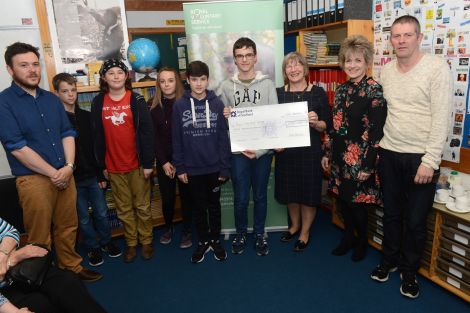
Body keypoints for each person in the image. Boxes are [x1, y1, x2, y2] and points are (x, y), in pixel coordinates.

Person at [0, 42, 101, 282]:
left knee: (68, 227)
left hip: (65, 173)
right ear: (10, 70)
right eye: (24, 65)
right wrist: (54, 173)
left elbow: (67, 132)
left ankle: (71, 268)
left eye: (35, 64)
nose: (32, 70)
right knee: (39, 235)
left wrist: (68, 168)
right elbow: (17, 147)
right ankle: (41, 278)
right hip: (34, 179)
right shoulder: (4, 102)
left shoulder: (51, 99)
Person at [369, 16, 452, 299]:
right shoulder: (387, 71)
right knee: (391, 214)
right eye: (396, 36)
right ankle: (389, 261)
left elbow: (442, 117)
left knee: (415, 221)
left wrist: (430, 160)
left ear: (419, 37)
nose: (401, 40)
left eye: (407, 35)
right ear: (390, 40)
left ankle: (409, 271)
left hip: (421, 158)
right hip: (390, 153)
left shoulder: (436, 68)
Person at [321, 35, 387, 262]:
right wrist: (327, 153)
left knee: (358, 205)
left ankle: (361, 242)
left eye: (357, 60)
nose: (352, 65)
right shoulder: (341, 90)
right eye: (348, 60)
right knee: (343, 202)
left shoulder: (374, 90)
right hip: (339, 157)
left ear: (366, 61)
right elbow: (334, 124)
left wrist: (368, 165)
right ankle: (348, 236)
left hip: (361, 160)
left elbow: (377, 133)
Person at [52, 73, 122, 267]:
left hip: (93, 175)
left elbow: (97, 147)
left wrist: (101, 172)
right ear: (57, 94)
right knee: (82, 217)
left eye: (73, 90)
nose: (70, 95)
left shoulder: (87, 116)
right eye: (65, 91)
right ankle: (92, 246)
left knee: (101, 211)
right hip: (72, 179)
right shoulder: (55, 121)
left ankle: (107, 242)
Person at [218, 37, 278, 256]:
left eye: (248, 55)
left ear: (255, 57)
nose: (244, 59)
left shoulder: (268, 84)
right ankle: (241, 233)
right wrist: (225, 116)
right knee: (241, 197)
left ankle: (260, 233)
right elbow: (223, 125)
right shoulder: (225, 86)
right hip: (238, 153)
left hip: (262, 153)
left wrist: (261, 150)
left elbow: (274, 121)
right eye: (240, 56)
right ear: (235, 59)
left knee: (260, 196)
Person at [91, 59, 155, 263]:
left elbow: (147, 133)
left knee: (143, 207)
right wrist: (101, 165)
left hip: (137, 165)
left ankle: (146, 240)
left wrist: (148, 164)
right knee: (124, 209)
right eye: (111, 73)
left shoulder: (136, 100)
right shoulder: (98, 102)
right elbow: (96, 136)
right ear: (104, 78)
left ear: (126, 76)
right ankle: (131, 243)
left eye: (120, 72)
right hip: (113, 167)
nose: (116, 76)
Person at [172, 61, 231, 263]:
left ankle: (215, 239)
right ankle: (203, 241)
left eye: (202, 79)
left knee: (214, 206)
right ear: (187, 80)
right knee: (198, 207)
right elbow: (176, 139)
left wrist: (225, 167)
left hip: (214, 167)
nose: (198, 84)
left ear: (208, 80)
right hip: (192, 169)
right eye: (194, 79)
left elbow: (223, 139)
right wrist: (179, 167)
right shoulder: (179, 105)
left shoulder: (217, 104)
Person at [276, 52, 331, 252]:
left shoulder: (318, 93)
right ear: (284, 71)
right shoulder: (278, 93)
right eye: (289, 66)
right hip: (286, 153)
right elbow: (273, 125)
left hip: (310, 153)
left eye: (297, 65)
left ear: (305, 68)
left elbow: (327, 125)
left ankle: (304, 232)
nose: (293, 69)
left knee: (308, 194)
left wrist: (316, 122)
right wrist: (275, 143)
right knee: (291, 193)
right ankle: (294, 226)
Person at [0, 217, 107, 313]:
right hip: (4, 292)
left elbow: (10, 231)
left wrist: (3, 255)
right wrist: (13, 258)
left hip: (15, 271)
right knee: (41, 303)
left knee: (67, 281)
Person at [149, 67, 192, 248]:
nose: (166, 84)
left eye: (170, 80)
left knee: (187, 197)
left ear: (177, 82)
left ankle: (187, 231)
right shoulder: (152, 105)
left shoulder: (187, 102)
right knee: (167, 199)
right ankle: (168, 227)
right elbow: (154, 138)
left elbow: (190, 134)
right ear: (159, 84)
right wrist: (164, 162)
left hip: (185, 160)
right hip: (164, 161)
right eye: (163, 81)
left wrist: (180, 161)